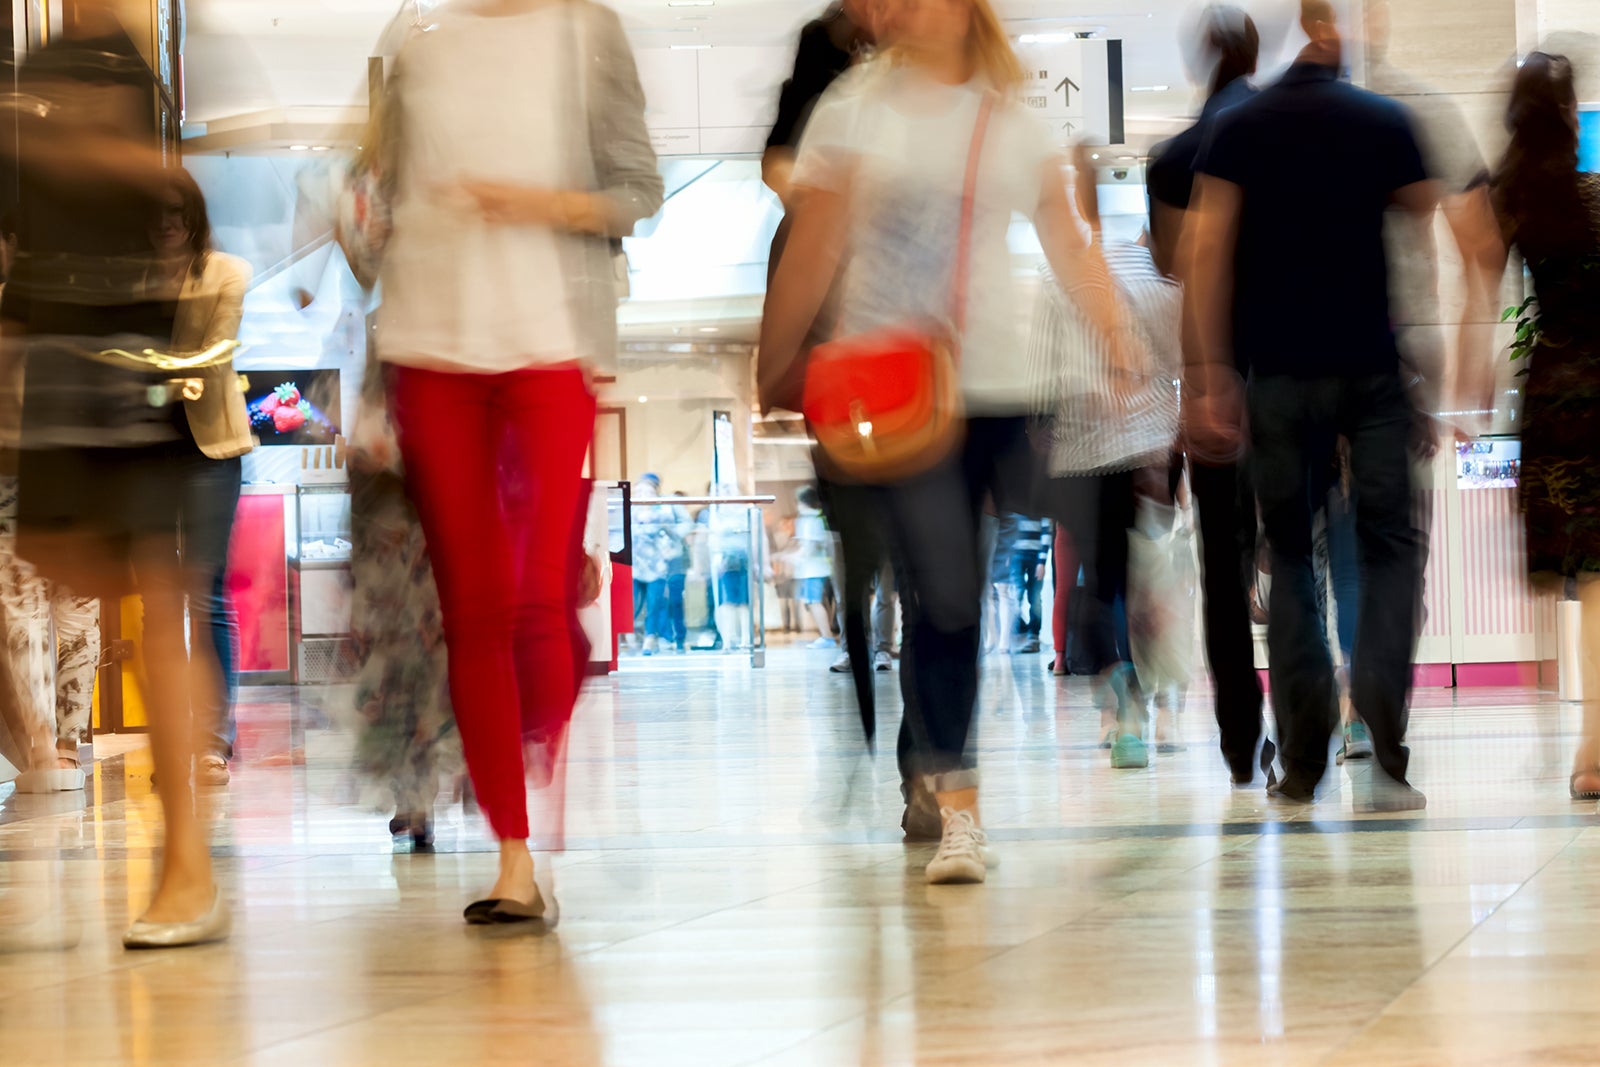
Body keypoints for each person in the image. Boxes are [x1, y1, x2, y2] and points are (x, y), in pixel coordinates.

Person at [763, 0, 1129, 884]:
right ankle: (957, 805)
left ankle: (944, 767)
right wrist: (774, 360)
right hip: (895, 391)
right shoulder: (854, 109)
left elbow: (1067, 242)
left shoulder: (1012, 120)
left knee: (958, 592)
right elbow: (813, 245)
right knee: (949, 596)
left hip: (996, 389)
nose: (892, 9)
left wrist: (1120, 334)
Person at [375, 0, 661, 922]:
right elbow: (378, 196)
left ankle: (533, 727)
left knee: (541, 600)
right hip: (428, 346)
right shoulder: (412, 39)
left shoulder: (586, 32)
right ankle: (512, 857)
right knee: (474, 608)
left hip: (548, 341)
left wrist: (537, 204)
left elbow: (637, 187)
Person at [1, 2, 240, 947]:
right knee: (76, 571)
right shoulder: (48, 61)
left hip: (138, 377)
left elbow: (168, 190)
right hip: (60, 371)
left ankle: (187, 864)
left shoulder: (126, 67)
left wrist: (71, 144)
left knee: (157, 610)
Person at [1186, 0, 1438, 811]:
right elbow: (1419, 246)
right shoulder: (1384, 122)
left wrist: (1213, 372)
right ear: (1340, 27)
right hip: (1370, 369)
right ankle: (1383, 729)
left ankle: (1300, 760)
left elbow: (1206, 258)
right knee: (1389, 543)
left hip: (1279, 376)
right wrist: (1426, 365)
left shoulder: (1242, 128)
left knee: (1290, 554)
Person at [1145, 3, 1269, 787]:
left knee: (1222, 569)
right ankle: (1305, 715)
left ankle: (1238, 738)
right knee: (1292, 552)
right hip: (1287, 368)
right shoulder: (1283, 133)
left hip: (1208, 375)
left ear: (1200, 63)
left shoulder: (1170, 158)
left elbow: (1168, 268)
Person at [1485, 53, 1600, 800]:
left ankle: (1560, 740)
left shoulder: (1510, 201)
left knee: (1565, 573)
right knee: (1599, 582)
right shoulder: (1595, 199)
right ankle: (1592, 745)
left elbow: (1479, 293)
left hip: (1552, 394)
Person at [159, 170, 254, 789]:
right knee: (158, 602)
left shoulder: (226, 272)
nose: (163, 224)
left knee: (204, 593)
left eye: (174, 213)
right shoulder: (127, 277)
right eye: (153, 214)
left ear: (194, 217)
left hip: (208, 449)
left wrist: (144, 370)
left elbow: (215, 352)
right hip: (143, 451)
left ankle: (214, 740)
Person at [0, 207, 100, 795]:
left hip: (29, 473)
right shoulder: (79, 305)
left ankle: (49, 746)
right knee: (63, 612)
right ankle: (60, 743)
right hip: (65, 475)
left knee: (31, 612)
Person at [791, 486, 838, 647]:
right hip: (819, 568)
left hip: (812, 569)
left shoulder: (809, 520)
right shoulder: (817, 518)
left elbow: (809, 546)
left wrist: (794, 557)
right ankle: (826, 634)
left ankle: (827, 636)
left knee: (813, 601)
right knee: (818, 601)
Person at [1007, 515, 1049, 654]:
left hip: (1035, 557)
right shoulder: (1013, 503)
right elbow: (1008, 530)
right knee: (1015, 595)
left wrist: (1041, 562)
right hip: (1015, 556)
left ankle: (1033, 637)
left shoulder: (1041, 506)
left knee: (1035, 598)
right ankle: (1015, 635)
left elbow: (1046, 532)